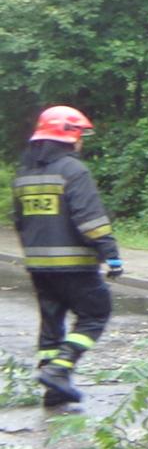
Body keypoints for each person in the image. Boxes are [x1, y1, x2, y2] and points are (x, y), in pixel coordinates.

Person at [10, 106, 121, 408]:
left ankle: (54, 389)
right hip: (75, 265)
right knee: (95, 314)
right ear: (70, 136)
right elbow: (90, 220)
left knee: (51, 324)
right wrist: (111, 255)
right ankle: (60, 369)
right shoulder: (73, 171)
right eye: (81, 134)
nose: (82, 140)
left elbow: (19, 221)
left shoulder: (24, 174)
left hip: (38, 266)